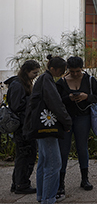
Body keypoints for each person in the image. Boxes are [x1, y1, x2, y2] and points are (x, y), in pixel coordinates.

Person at [24, 55, 72, 204]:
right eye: (61, 70)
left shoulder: (43, 79)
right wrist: (67, 121)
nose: (62, 73)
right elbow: (55, 103)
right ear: (52, 69)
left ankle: (42, 197)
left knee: (44, 163)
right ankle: (48, 199)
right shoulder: (46, 79)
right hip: (47, 127)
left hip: (39, 126)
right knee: (54, 164)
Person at [56, 56, 97, 193]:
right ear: (67, 70)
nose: (75, 74)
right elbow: (57, 101)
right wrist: (69, 98)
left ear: (82, 68)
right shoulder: (61, 83)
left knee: (82, 148)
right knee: (63, 150)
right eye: (72, 72)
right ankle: (61, 182)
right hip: (66, 119)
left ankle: (85, 179)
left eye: (78, 71)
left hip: (84, 117)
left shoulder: (89, 80)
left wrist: (86, 97)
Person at [6, 60, 40, 194]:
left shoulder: (22, 84)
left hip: (25, 124)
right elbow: (16, 106)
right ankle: (22, 184)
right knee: (26, 155)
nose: (35, 75)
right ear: (27, 71)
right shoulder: (17, 85)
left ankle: (18, 183)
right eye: (34, 73)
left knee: (24, 155)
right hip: (22, 126)